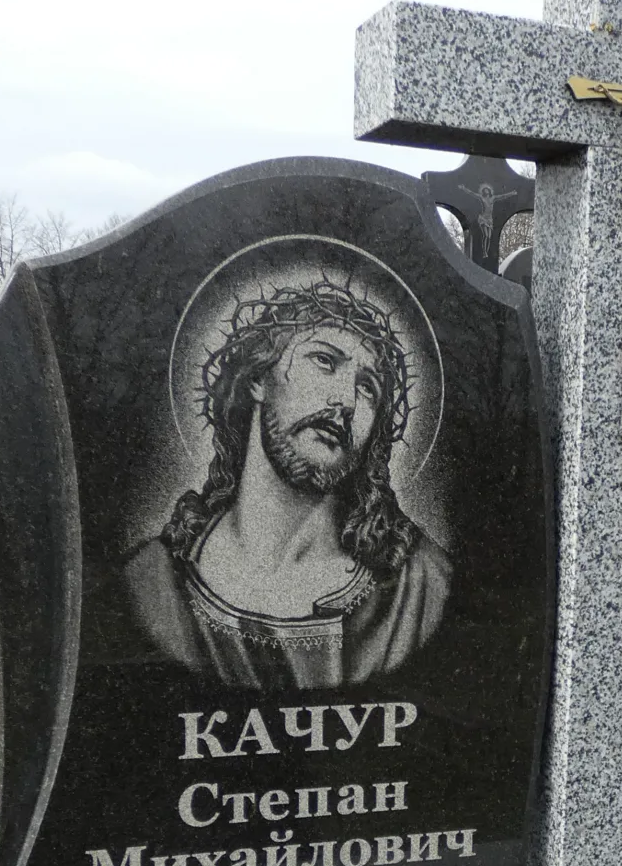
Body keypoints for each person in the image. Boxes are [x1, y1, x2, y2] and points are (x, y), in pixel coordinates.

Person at [126, 279, 450, 687]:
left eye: (367, 388)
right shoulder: (152, 583)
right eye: (324, 361)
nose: (346, 402)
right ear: (258, 379)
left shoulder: (418, 586)